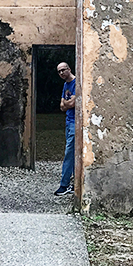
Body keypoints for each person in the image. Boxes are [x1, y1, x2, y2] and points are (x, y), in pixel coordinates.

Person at [54, 62, 76, 196]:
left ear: (69, 69)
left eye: (63, 70)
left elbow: (72, 103)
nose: (61, 73)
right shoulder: (65, 85)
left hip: (74, 122)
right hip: (68, 122)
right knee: (71, 153)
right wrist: (67, 104)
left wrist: (66, 104)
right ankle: (74, 184)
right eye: (59, 71)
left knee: (69, 153)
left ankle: (64, 184)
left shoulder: (76, 83)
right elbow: (62, 106)